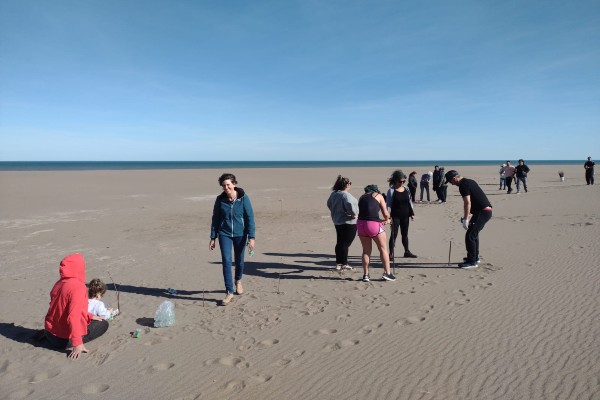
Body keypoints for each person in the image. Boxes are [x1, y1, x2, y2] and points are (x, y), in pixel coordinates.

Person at [44, 254, 109, 359]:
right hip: (62, 341)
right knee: (103, 325)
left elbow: (60, 308)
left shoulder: (59, 283)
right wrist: (77, 344)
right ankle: (74, 340)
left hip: (49, 333)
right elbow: (73, 317)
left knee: (93, 319)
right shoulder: (78, 287)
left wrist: (89, 316)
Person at [209, 173, 256, 306]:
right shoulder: (220, 200)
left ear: (234, 184)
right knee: (226, 261)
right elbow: (215, 219)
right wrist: (213, 237)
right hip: (224, 233)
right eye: (224, 185)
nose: (226, 187)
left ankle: (238, 280)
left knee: (239, 261)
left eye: (228, 184)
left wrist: (251, 237)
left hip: (241, 234)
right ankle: (229, 291)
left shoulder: (243, 198)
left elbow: (250, 218)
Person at [444, 170, 492, 269]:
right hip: (484, 211)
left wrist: (466, 219)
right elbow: (475, 199)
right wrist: (469, 215)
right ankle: (474, 257)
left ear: (454, 178)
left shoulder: (463, 185)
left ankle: (472, 262)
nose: (451, 184)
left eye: (450, 181)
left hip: (482, 211)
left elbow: (467, 203)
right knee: (474, 234)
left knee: (470, 236)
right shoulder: (469, 181)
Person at [357, 184, 396, 282]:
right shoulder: (378, 196)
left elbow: (366, 213)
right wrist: (388, 219)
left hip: (361, 224)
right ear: (376, 190)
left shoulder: (362, 197)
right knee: (383, 248)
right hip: (373, 225)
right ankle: (387, 272)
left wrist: (381, 220)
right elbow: (385, 213)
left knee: (366, 251)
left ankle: (366, 275)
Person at [326, 175, 359, 271]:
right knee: (345, 243)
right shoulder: (345, 195)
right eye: (350, 183)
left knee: (340, 242)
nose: (350, 185)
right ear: (346, 184)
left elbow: (329, 204)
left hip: (338, 221)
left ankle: (339, 263)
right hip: (348, 222)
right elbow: (351, 206)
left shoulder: (334, 194)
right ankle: (343, 263)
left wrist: (336, 211)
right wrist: (353, 214)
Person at [385, 170, 417, 260]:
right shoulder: (391, 191)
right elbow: (388, 205)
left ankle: (407, 251)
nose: (402, 183)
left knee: (405, 234)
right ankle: (390, 254)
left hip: (405, 216)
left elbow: (409, 202)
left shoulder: (406, 189)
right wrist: (388, 217)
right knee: (394, 234)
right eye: (400, 181)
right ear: (395, 180)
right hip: (395, 216)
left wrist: (412, 214)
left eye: (404, 181)